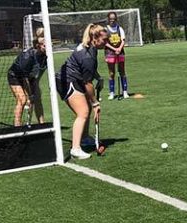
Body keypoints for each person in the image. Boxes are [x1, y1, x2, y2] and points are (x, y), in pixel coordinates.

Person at [57, 24, 108, 159]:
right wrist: (96, 103)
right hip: (68, 81)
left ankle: (84, 138)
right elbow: (87, 83)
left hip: (75, 78)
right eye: (104, 40)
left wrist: (98, 77)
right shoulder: (87, 55)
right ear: (94, 38)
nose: (106, 42)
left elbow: (88, 71)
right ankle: (76, 148)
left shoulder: (91, 48)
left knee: (86, 110)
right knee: (83, 112)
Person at [8, 28, 47, 127]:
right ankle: (17, 126)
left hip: (30, 78)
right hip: (15, 77)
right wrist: (30, 94)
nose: (47, 47)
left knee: (38, 98)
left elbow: (39, 73)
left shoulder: (45, 56)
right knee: (23, 100)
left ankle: (42, 125)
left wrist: (35, 87)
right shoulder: (28, 57)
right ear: (38, 46)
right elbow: (24, 78)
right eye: (44, 46)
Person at [104, 11, 129, 100]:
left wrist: (119, 48)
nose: (112, 21)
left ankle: (125, 91)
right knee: (111, 73)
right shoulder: (105, 30)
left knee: (122, 71)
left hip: (120, 52)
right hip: (110, 53)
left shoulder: (120, 28)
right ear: (108, 19)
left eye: (114, 19)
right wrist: (114, 49)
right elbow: (105, 43)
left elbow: (123, 40)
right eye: (111, 19)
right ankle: (112, 93)